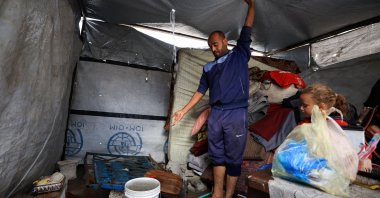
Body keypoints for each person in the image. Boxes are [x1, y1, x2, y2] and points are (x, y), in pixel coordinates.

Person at [172, 0, 255, 197]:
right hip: (216, 114)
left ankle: (229, 195)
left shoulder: (240, 55)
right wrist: (182, 111)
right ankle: (217, 193)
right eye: (210, 46)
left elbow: (247, 29)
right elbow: (200, 91)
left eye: (216, 44)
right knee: (217, 155)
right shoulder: (208, 68)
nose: (214, 49)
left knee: (233, 157)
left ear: (225, 41)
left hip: (236, 112)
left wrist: (252, 6)